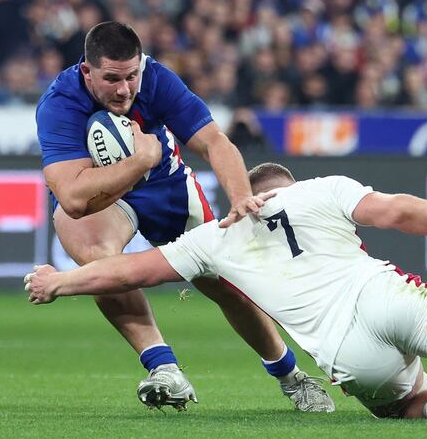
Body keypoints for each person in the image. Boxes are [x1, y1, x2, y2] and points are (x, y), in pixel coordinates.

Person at [25, 163, 427, 426]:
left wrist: (60, 281)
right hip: (385, 295)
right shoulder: (323, 190)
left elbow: (125, 273)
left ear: (248, 192)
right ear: (288, 185)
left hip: (344, 351)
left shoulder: (212, 239)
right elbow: (399, 211)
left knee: (398, 404)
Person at [35, 22, 334, 412]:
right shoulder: (59, 103)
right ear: (87, 71)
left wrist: (240, 197)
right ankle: (164, 368)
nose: (124, 89)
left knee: (221, 279)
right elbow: (73, 198)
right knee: (96, 258)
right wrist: (140, 160)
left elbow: (214, 142)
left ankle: (290, 375)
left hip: (167, 186)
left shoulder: (157, 78)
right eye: (111, 79)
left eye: (131, 76)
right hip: (103, 193)